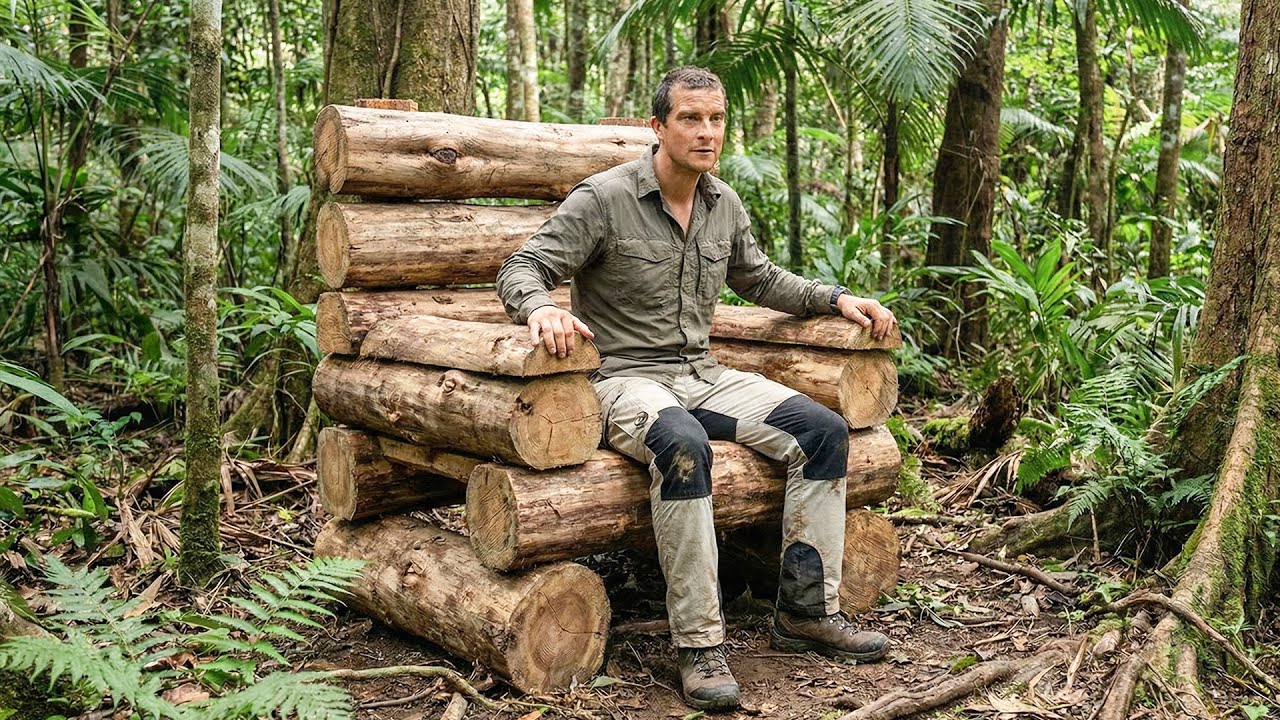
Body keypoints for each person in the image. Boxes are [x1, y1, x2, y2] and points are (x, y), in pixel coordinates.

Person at [496, 66, 897, 712]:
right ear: (658, 127)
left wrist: (836, 298)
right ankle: (701, 647)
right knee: (683, 445)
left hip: (703, 376)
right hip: (624, 381)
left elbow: (761, 280)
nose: (706, 131)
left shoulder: (722, 204)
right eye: (690, 118)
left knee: (822, 432)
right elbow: (523, 266)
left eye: (715, 119)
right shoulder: (604, 199)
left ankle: (804, 614)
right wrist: (541, 308)